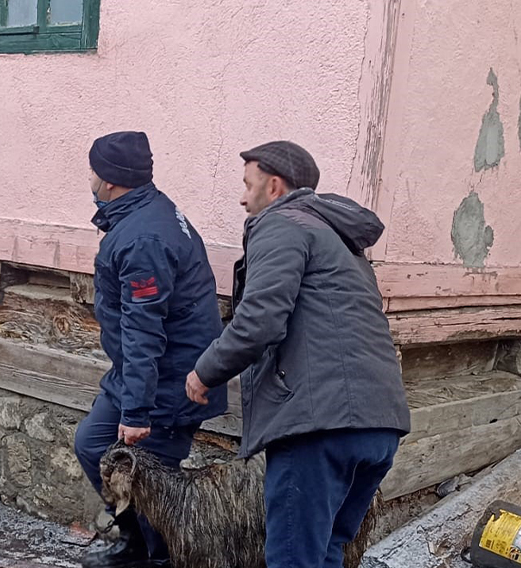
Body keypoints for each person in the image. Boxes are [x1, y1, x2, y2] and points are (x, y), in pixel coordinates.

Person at [185, 141, 410, 568]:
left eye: (247, 185)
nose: (241, 197)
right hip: (379, 423)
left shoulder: (281, 225)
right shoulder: (339, 241)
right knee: (326, 552)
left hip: (319, 425)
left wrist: (204, 372)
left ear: (273, 186)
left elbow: (261, 319)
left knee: (293, 558)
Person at [74, 131, 228, 568]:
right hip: (139, 377)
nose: (89, 176)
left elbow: (145, 329)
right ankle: (134, 543)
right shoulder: (141, 216)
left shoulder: (145, 238)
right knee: (92, 444)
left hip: (169, 383)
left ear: (110, 180)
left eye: (93, 169)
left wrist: (136, 412)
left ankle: (161, 558)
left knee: (154, 484)